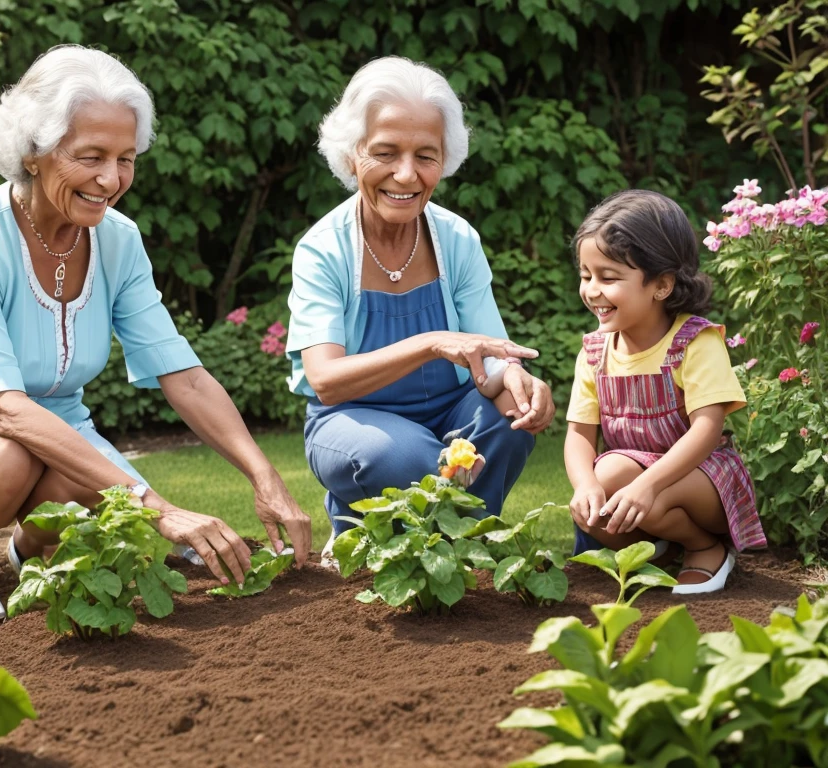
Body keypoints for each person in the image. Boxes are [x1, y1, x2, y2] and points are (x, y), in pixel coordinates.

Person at [0, 46, 311, 623]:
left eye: (126, 158)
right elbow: (4, 410)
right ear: (33, 153)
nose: (112, 179)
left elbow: (183, 374)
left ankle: (22, 545)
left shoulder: (118, 241)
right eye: (91, 156)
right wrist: (159, 507)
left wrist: (264, 475)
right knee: (15, 464)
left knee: (87, 490)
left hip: (52, 427)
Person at [285, 56, 555, 564]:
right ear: (351, 156)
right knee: (403, 456)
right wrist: (430, 342)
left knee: (509, 421)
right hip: (352, 419)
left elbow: (492, 357)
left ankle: (451, 550)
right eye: (385, 152)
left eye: (425, 156)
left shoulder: (456, 238)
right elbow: (326, 380)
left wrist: (520, 382)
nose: (406, 174)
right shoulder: (323, 249)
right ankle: (365, 526)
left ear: (445, 159)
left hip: (450, 410)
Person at [565, 189, 766, 594]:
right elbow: (578, 435)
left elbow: (706, 430)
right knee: (601, 486)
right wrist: (585, 486)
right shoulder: (595, 352)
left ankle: (706, 547)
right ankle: (662, 550)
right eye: (586, 276)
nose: (591, 290)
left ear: (660, 285)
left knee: (646, 497)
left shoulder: (694, 342)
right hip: (641, 477)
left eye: (608, 277)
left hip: (703, 477)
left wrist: (648, 484)